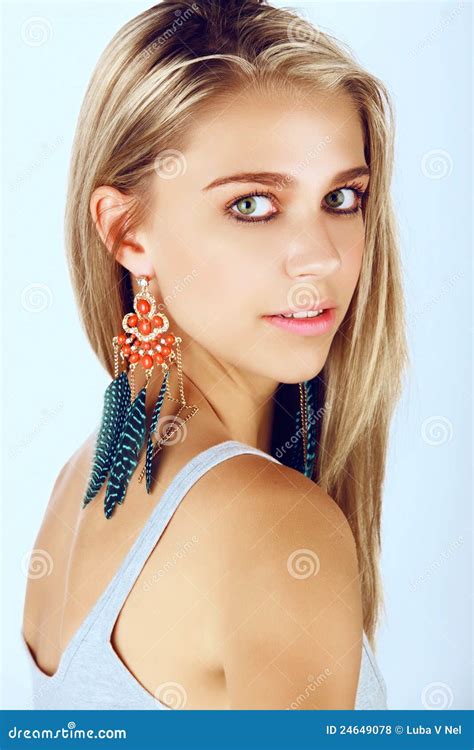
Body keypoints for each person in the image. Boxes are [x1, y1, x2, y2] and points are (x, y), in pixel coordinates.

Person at [21, 0, 407, 710]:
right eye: (253, 205)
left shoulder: (85, 477)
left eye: (342, 197)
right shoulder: (272, 525)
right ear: (127, 230)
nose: (319, 259)